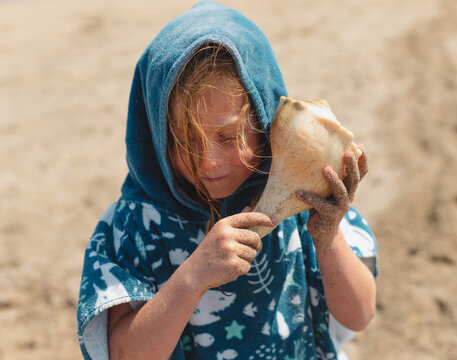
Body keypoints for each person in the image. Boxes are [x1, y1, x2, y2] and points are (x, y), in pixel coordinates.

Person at [76, 1, 378, 359]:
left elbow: (359, 315)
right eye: (186, 141)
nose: (209, 162)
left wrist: (327, 240)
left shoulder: (302, 203)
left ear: (266, 122)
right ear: (156, 136)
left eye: (229, 136)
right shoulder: (137, 226)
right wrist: (193, 276)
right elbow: (123, 354)